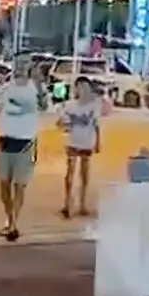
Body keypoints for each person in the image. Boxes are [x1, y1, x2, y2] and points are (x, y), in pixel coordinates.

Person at [0, 54, 49, 240]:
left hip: (25, 142)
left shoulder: (36, 89)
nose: (21, 67)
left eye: (25, 64)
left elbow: (44, 106)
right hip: (5, 141)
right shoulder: (6, 88)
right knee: (4, 186)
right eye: (18, 63)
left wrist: (39, 84)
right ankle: (9, 218)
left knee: (20, 185)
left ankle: (14, 223)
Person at [58, 77, 103, 218]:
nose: (82, 90)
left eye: (85, 87)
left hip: (86, 143)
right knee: (70, 175)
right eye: (80, 87)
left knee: (84, 175)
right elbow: (60, 123)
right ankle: (67, 203)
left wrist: (97, 142)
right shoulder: (70, 105)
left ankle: (82, 203)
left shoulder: (94, 105)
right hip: (73, 142)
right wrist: (65, 125)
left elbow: (96, 125)